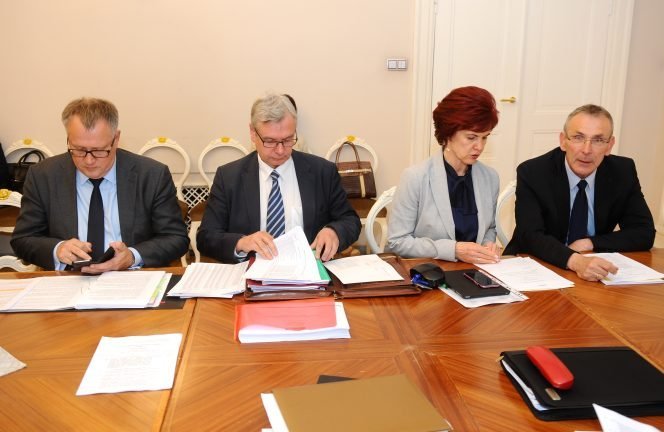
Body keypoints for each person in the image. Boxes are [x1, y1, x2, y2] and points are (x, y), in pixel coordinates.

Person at [11, 97, 189, 272]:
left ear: (116, 139)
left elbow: (175, 238)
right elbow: (23, 239)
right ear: (68, 139)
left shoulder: (151, 175)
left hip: (130, 278)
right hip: (68, 278)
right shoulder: (43, 176)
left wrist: (132, 256)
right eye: (79, 149)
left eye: (99, 150)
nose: (89, 160)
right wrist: (58, 249)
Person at [197, 92, 361, 263]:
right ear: (253, 133)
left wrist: (334, 232)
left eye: (288, 139)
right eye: (270, 141)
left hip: (308, 270)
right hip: (251, 271)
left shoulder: (322, 172)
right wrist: (241, 243)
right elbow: (206, 237)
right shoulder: (228, 177)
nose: (280, 150)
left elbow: (350, 221)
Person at [504, 104, 655, 281]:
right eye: (578, 138)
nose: (586, 150)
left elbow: (644, 232)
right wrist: (575, 261)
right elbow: (530, 235)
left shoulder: (622, 171)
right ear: (563, 141)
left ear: (609, 145)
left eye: (598, 140)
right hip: (535, 265)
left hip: (590, 267)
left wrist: (590, 243)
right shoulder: (534, 172)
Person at [388, 86, 501, 263]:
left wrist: (488, 245)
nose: (480, 146)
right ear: (449, 134)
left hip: (474, 270)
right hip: (428, 271)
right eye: (471, 137)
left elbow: (490, 228)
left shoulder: (490, 177)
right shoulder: (416, 177)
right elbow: (398, 242)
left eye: (485, 137)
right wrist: (453, 250)